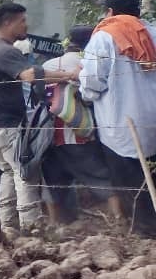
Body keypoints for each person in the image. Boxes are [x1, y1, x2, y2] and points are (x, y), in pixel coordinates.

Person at [0, 2, 76, 238]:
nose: (26, 25)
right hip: (4, 123)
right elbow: (30, 75)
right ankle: (32, 231)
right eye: (22, 20)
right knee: (25, 172)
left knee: (9, 173)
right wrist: (68, 75)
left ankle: (8, 229)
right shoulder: (4, 50)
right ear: (8, 22)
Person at [80, 0, 156, 235]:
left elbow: (92, 83)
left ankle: (145, 234)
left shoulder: (103, 37)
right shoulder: (152, 32)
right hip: (153, 119)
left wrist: (85, 94)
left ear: (110, 11)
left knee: (132, 183)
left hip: (121, 124)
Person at [41, 25, 114, 224]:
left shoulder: (48, 63)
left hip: (48, 136)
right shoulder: (85, 65)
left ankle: (56, 227)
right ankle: (120, 223)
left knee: (53, 186)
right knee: (104, 181)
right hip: (79, 134)